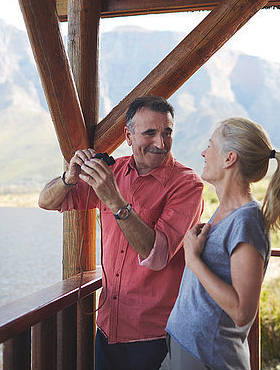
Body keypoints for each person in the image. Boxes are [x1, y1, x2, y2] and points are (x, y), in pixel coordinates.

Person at [38, 95, 204, 370]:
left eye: (167, 132)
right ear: (128, 135)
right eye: (150, 133)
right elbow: (46, 201)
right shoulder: (113, 170)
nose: (161, 143)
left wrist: (113, 199)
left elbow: (157, 254)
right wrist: (69, 177)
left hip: (156, 333)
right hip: (108, 327)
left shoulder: (188, 185)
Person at [161, 117, 280, 370]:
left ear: (229, 159)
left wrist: (193, 260)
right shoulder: (224, 213)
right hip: (183, 347)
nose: (203, 152)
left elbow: (241, 311)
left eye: (211, 145)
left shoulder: (247, 220)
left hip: (205, 357)